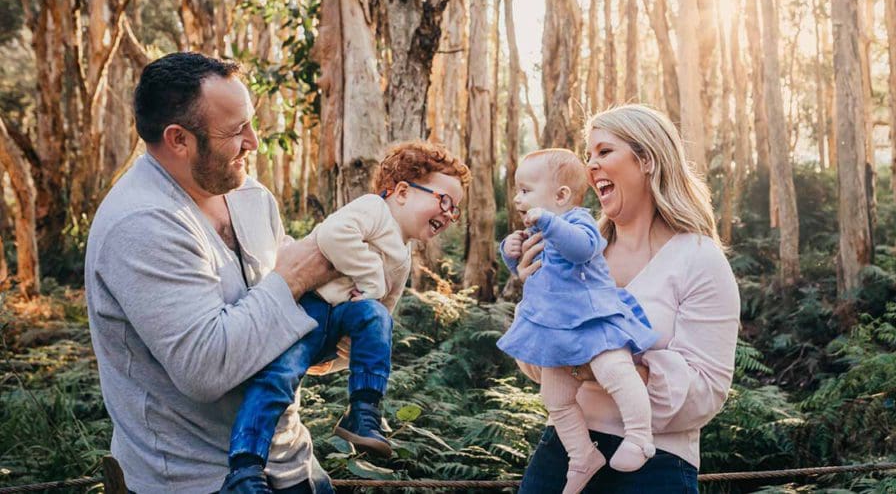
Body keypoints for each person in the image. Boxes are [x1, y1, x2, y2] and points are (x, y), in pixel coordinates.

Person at [86, 52, 339, 494]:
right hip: (198, 479)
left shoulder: (250, 195)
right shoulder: (140, 223)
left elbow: (280, 322)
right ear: (178, 139)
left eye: (251, 122)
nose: (254, 141)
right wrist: (295, 278)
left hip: (291, 461)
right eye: (235, 130)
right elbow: (206, 367)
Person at [514, 105, 741, 494]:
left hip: (657, 465)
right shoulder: (576, 252)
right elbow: (535, 366)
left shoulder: (699, 258)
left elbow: (708, 390)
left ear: (647, 159)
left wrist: (604, 371)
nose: (591, 166)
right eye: (589, 156)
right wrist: (536, 302)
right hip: (563, 456)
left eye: (604, 152)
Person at [224, 141, 469, 493]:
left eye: (455, 210)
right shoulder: (373, 209)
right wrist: (371, 277)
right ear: (402, 191)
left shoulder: (403, 256)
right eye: (443, 200)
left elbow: (382, 315)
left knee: (376, 316)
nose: (448, 214)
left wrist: (341, 359)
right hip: (305, 309)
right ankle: (245, 468)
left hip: (337, 324)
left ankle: (363, 411)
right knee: (276, 383)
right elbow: (333, 235)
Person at [498, 149, 658, 494]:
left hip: (593, 320)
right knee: (554, 396)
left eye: (525, 191)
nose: (517, 199)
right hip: (558, 331)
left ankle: (639, 436)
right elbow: (536, 274)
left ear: (561, 196)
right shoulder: (541, 227)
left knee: (615, 370)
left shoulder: (577, 221)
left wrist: (548, 222)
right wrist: (511, 254)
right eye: (518, 191)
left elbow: (583, 249)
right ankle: (582, 453)